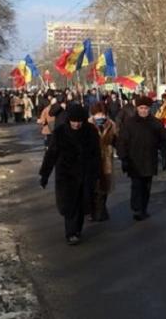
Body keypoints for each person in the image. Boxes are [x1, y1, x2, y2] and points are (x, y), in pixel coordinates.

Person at [39, 105, 101, 245]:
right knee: (69, 205)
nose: (76, 124)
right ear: (69, 120)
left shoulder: (90, 131)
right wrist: (45, 174)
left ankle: (76, 230)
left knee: (81, 204)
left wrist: (97, 172)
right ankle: (70, 233)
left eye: (79, 121)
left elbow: (96, 154)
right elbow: (51, 154)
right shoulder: (60, 132)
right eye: (74, 121)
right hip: (66, 175)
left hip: (85, 173)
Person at [117, 96, 166, 220]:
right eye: (141, 108)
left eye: (146, 108)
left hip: (150, 159)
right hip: (134, 160)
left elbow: (164, 141)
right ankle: (137, 208)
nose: (143, 110)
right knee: (137, 184)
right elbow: (122, 142)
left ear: (149, 109)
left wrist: (165, 156)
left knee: (146, 186)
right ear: (137, 108)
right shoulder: (129, 123)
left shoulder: (156, 123)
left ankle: (143, 208)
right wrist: (123, 158)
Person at [88, 102, 117, 222]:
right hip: (92, 159)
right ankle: (94, 211)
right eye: (97, 114)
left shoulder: (111, 124)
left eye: (102, 114)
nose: (100, 116)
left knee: (104, 186)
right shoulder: (88, 124)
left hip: (106, 158)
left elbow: (116, 139)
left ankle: (101, 210)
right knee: (94, 187)